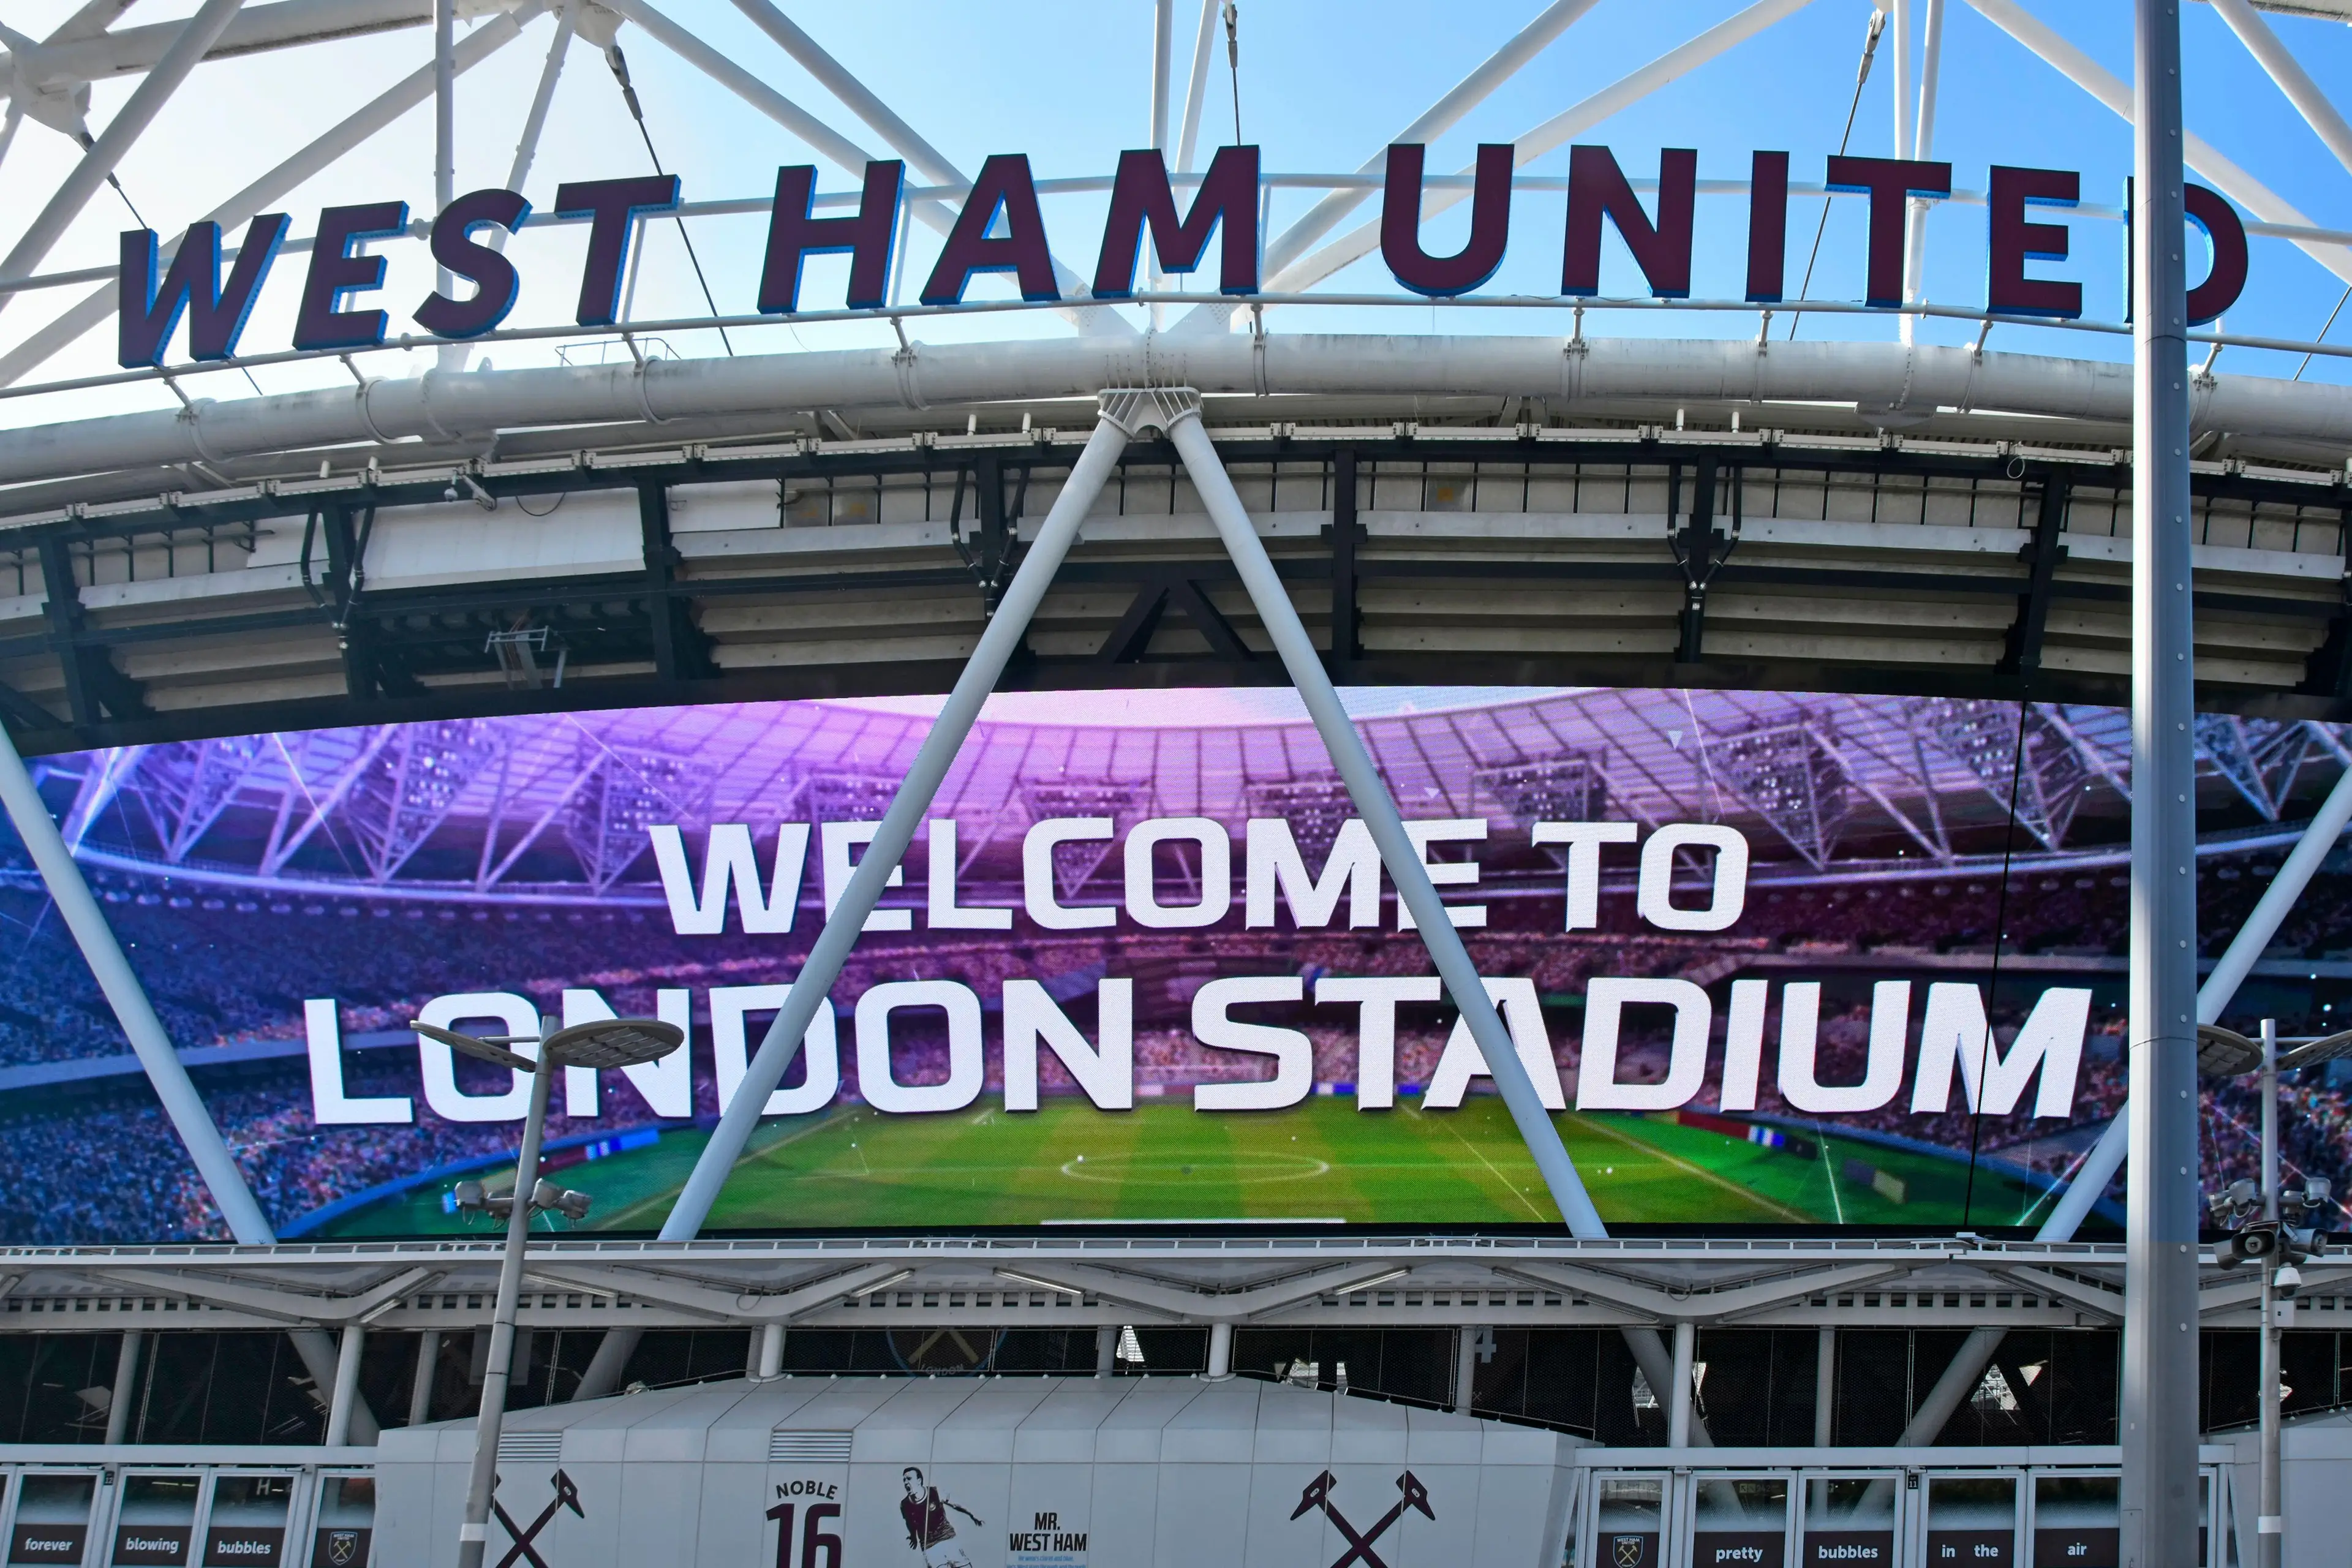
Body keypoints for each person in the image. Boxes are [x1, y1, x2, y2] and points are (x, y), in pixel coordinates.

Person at [899, 1466, 982, 1568]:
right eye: (904, 1480)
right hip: (930, 1547)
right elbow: (910, 1523)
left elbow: (955, 1504)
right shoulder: (905, 1505)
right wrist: (913, 1537)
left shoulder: (935, 1492)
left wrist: (972, 1515)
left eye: (909, 1479)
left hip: (948, 1538)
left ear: (919, 1481)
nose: (906, 1482)